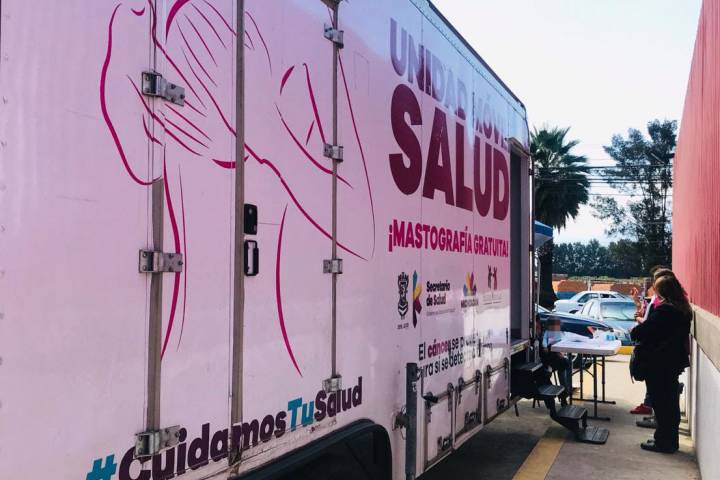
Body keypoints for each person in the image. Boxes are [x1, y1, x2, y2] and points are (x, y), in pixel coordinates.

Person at [630, 275, 692, 453]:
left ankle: (663, 442)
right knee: (670, 403)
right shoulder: (682, 309)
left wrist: (634, 330)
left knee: (661, 404)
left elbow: (642, 331)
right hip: (672, 362)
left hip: (659, 363)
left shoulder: (665, 311)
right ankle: (669, 440)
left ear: (663, 291)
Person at [629, 266, 674, 417]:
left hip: (658, 353)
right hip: (659, 352)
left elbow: (650, 324)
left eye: (655, 280)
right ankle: (651, 409)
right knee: (657, 389)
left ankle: (653, 412)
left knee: (659, 390)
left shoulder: (664, 306)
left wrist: (638, 321)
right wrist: (637, 303)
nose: (653, 284)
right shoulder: (665, 303)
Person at [540, 318, 573, 404]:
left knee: (565, 364)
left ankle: (565, 390)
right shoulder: (546, 334)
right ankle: (565, 391)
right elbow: (546, 347)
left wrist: (559, 351)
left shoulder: (559, 333)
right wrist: (550, 348)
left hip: (555, 357)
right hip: (548, 359)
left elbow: (562, 343)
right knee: (564, 364)